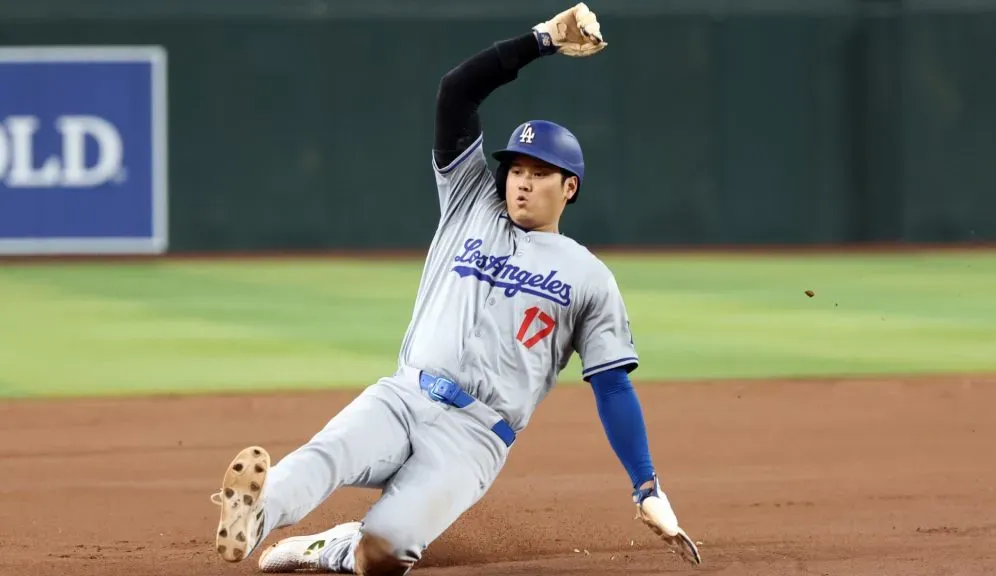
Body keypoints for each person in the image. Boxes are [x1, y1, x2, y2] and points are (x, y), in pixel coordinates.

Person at [210, 4, 701, 574]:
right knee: (329, 453)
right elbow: (456, 93)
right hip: (404, 395)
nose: (521, 180)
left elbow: (612, 386)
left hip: (474, 439)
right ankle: (254, 514)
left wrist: (647, 487)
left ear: (569, 187)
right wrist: (542, 39)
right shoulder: (470, 203)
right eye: (515, 168)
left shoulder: (588, 275)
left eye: (538, 173)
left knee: (383, 555)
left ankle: (334, 547)